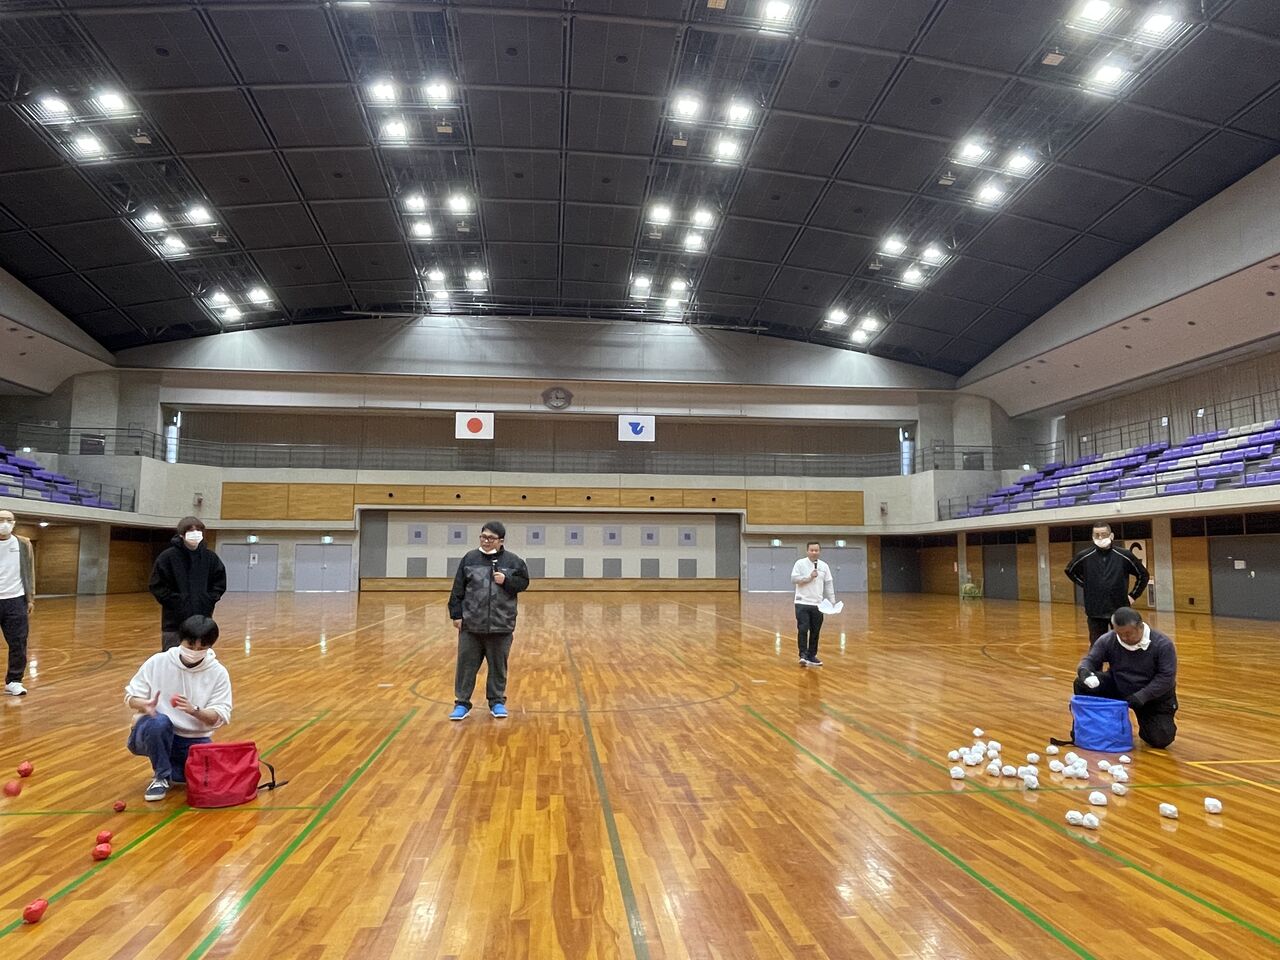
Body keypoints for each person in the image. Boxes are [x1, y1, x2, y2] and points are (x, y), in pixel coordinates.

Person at [123, 615, 233, 801]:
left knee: (209, 779)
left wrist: (194, 710)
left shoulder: (218, 672)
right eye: (190, 646)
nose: (195, 652)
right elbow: (131, 697)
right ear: (181, 641)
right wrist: (145, 705)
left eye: (202, 648)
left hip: (192, 739)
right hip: (153, 733)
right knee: (159, 722)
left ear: (210, 647)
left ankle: (173, 769)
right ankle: (161, 777)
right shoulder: (158, 662)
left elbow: (218, 716)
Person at [1056, 606, 1177, 749]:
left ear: (1140, 627)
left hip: (1152, 697)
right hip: (1119, 686)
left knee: (1160, 739)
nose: (1124, 638)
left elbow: (1166, 678)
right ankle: (1090, 728)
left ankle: (1147, 726)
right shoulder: (1108, 640)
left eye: (1128, 633)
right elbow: (1090, 660)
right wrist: (1084, 671)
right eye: (1119, 634)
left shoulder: (1162, 644)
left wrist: (1141, 697)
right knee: (1082, 684)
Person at [447, 521, 530, 720]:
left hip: (501, 625)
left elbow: (523, 583)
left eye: (491, 538)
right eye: (483, 537)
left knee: (498, 667)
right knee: (466, 666)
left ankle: (497, 701)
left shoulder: (513, 561)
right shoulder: (469, 559)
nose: (486, 541)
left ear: (501, 541)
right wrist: (456, 615)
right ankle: (462, 703)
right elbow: (457, 589)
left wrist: (506, 581)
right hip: (471, 626)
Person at [149, 516, 227, 651]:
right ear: (181, 534)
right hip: (174, 623)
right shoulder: (167, 557)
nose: (195, 534)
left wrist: (208, 599)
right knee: (172, 657)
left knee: (201, 657)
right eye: (190, 530)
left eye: (198, 530)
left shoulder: (210, 558)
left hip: (203, 622)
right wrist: (176, 602)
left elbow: (219, 582)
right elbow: (157, 584)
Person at [1064, 522, 1148, 645]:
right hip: (1095, 611)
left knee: (1123, 645)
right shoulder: (1084, 556)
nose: (1100, 538)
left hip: (1119, 610)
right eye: (1096, 535)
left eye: (1103, 534)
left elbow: (1143, 575)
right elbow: (1070, 571)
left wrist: (1133, 596)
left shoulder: (1124, 555)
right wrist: (1086, 584)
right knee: (1097, 646)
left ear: (1111, 536)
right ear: (1092, 536)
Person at [0, 509, 35, 696]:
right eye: (1, 520)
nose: (5, 523)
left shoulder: (23, 543)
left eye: (9, 520)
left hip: (16, 600)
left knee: (19, 643)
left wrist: (30, 598)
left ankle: (14, 681)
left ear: (14, 523)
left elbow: (29, 572)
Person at [791, 541, 835, 668]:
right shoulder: (800, 564)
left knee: (815, 631)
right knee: (803, 629)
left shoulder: (824, 566)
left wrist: (832, 600)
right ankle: (803, 655)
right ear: (807, 551)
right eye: (812, 550)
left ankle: (812, 655)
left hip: (818, 604)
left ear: (819, 551)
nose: (814, 552)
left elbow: (828, 583)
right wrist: (809, 577)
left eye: (816, 550)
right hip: (802, 602)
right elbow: (794, 579)